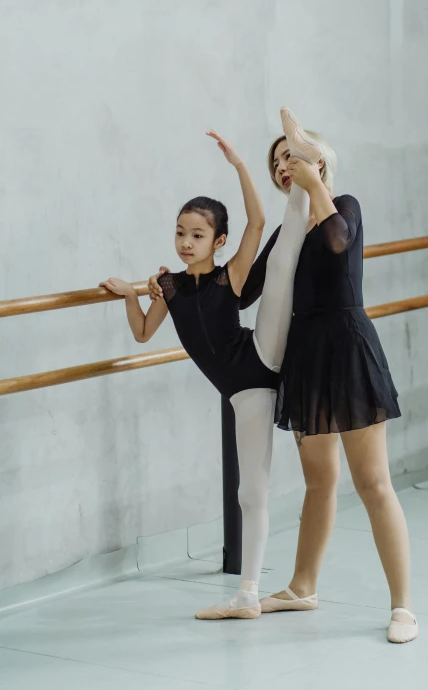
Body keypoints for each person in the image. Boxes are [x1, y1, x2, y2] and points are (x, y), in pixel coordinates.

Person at [149, 111, 418, 643]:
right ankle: (302, 586)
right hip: (303, 355)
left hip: (347, 347)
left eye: (289, 156)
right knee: (320, 481)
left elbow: (337, 242)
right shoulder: (285, 233)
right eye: (278, 162)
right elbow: (246, 292)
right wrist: (176, 284)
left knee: (374, 483)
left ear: (316, 161)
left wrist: (311, 179)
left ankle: (403, 607)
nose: (282, 167)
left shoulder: (342, 207)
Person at [100, 110, 322, 620]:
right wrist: (129, 294)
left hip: (260, 355)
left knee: (283, 258)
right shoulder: (170, 287)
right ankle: (247, 597)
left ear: (218, 241)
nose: (185, 242)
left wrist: (241, 163)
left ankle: (302, 168)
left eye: (197, 235)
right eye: (180, 232)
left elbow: (257, 224)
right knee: (252, 489)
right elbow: (141, 331)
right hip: (244, 391)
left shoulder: (231, 276)